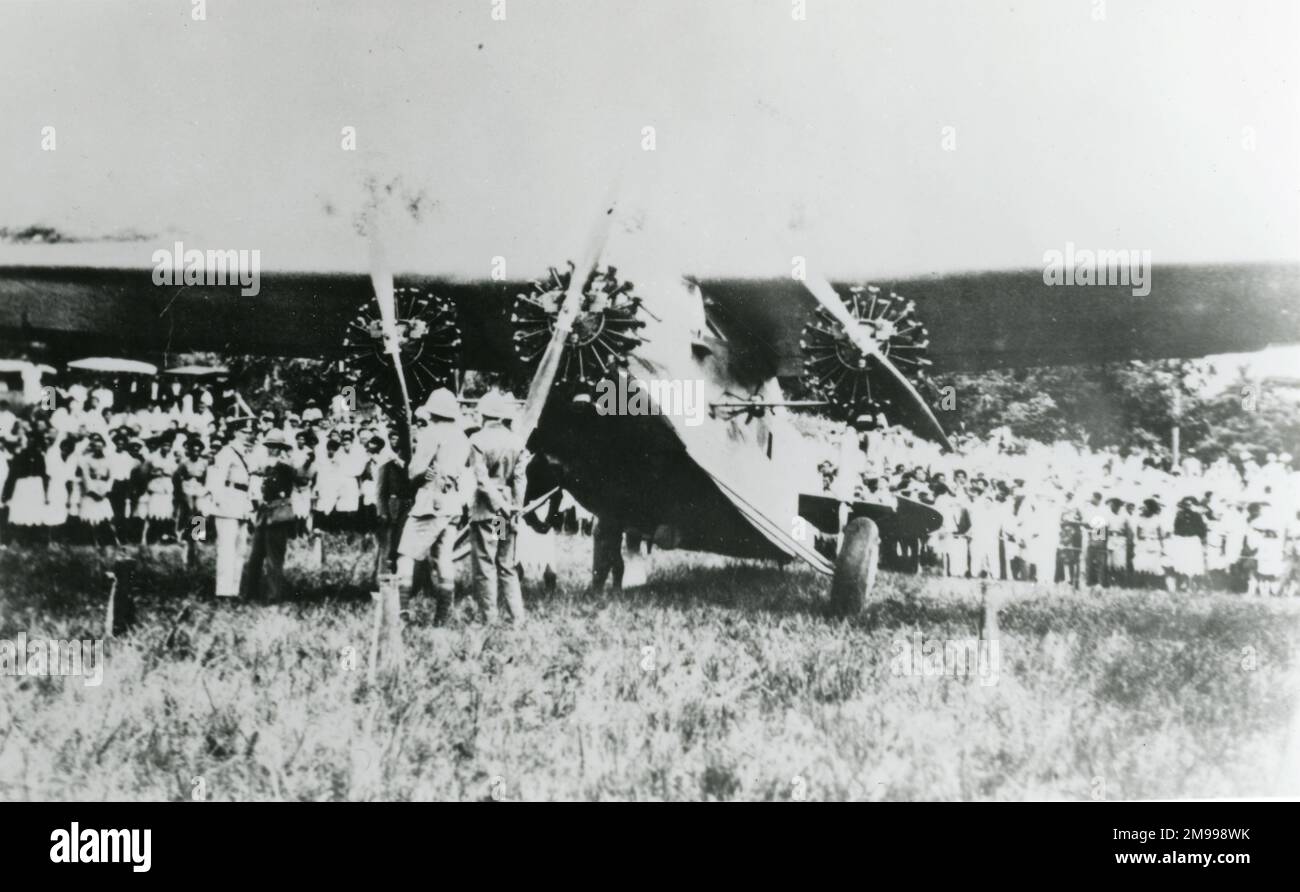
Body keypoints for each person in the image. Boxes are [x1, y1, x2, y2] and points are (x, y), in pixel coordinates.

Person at [395, 389, 470, 625]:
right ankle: (443, 617)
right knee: (443, 558)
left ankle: (402, 613)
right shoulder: (462, 437)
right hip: (453, 503)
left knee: (405, 555)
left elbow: (414, 471)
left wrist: (418, 472)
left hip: (431, 501)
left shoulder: (431, 433)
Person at [467, 391, 529, 624]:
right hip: (505, 511)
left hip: (487, 509)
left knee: (485, 564)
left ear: (483, 414)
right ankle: (517, 617)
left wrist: (499, 506)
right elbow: (521, 479)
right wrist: (515, 508)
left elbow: (482, 481)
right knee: (506, 564)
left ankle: (490, 618)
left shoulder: (477, 440)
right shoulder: (516, 441)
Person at [240, 430, 302, 602]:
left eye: (275, 447)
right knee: (255, 558)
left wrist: (289, 459)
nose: (271, 450)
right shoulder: (266, 468)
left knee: (274, 559)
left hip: (278, 515)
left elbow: (301, 477)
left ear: (281, 449)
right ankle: (251, 594)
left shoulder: (285, 468)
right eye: (269, 446)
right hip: (264, 515)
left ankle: (274, 596)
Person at [206, 415, 254, 598]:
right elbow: (217, 481)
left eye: (250, 432)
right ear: (235, 432)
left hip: (241, 503)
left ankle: (234, 590)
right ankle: (223, 591)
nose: (248, 435)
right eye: (244, 432)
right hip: (227, 502)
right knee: (226, 548)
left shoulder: (247, 453)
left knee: (240, 549)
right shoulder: (226, 452)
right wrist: (218, 503)